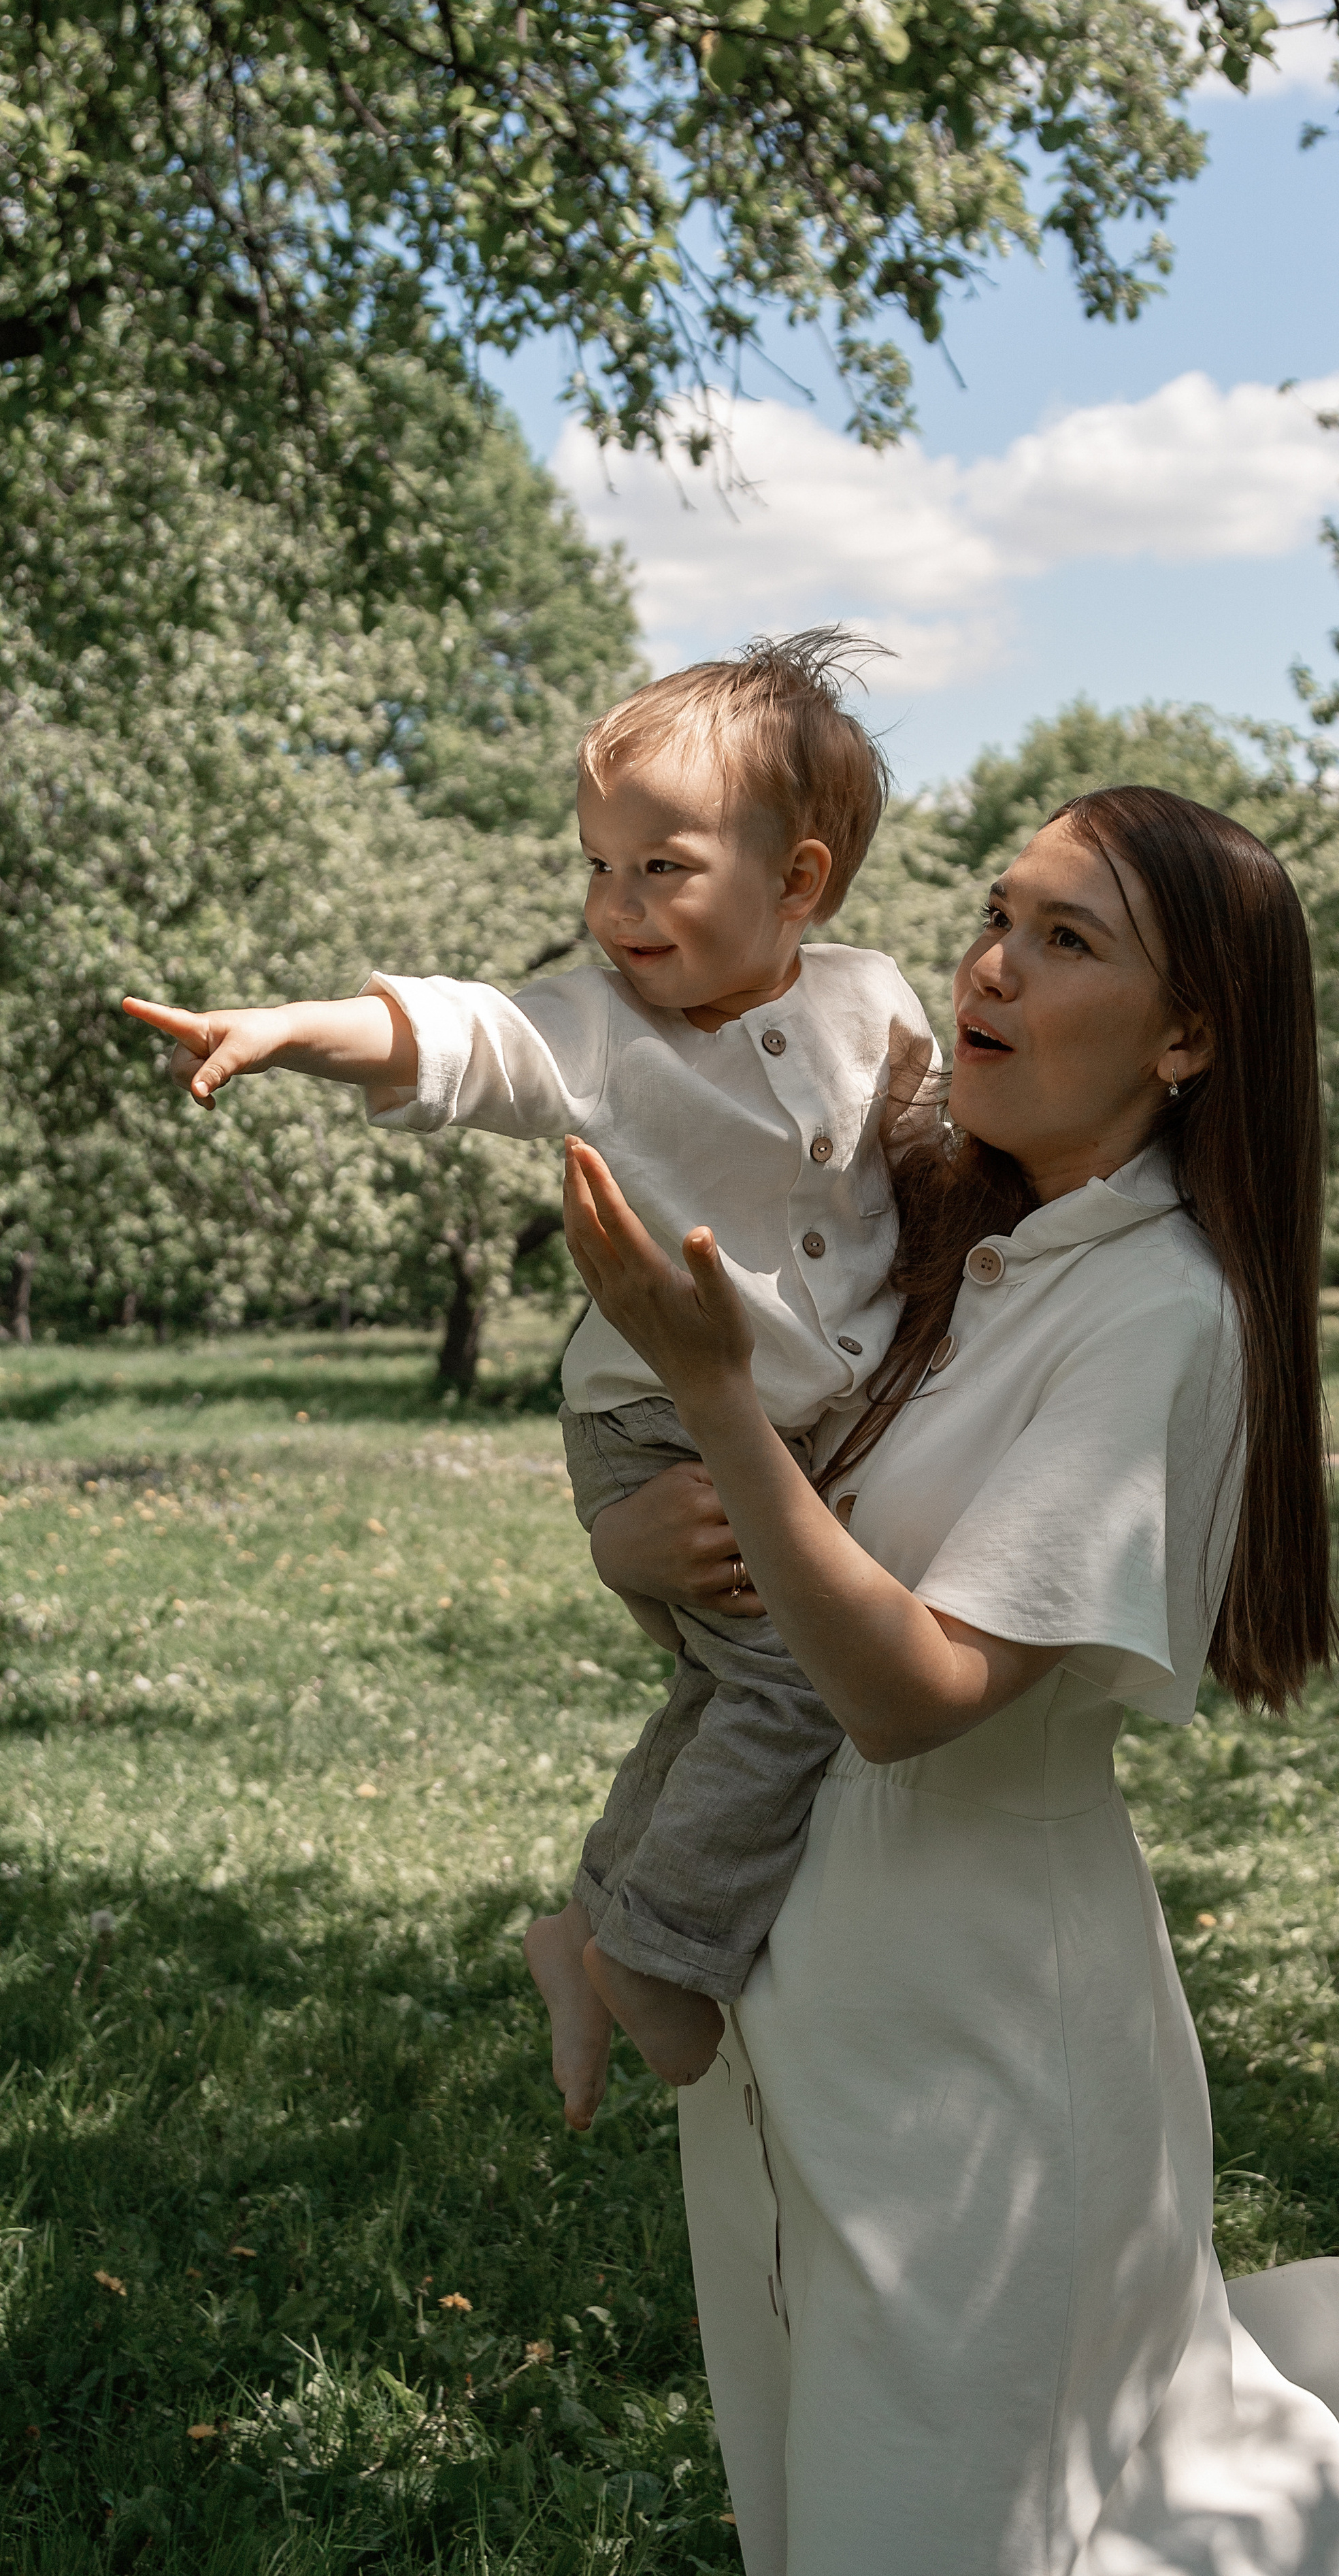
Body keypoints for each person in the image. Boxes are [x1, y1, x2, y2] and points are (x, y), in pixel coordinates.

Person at [562, 785, 1339, 2576]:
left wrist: (724, 1404)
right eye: (1001, 916)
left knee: (965, 2557)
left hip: (978, 2058)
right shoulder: (947, 1252)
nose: (990, 967)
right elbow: (769, 1600)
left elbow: (915, 1694)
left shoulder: (1159, 1310)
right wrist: (640, 1544)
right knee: (818, 2518)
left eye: (1068, 940)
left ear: (1189, 1036)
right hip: (806, 2005)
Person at [121, 629, 937, 2130]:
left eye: (660, 871)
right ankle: (655, 1952)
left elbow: (931, 1155)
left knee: (723, 1678)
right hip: (654, 1418)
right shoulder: (598, 1030)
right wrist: (292, 1030)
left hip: (777, 1428)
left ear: (799, 883)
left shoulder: (874, 1001)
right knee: (790, 1676)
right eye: (599, 867)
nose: (612, 908)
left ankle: (580, 1926)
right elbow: (461, 1034)